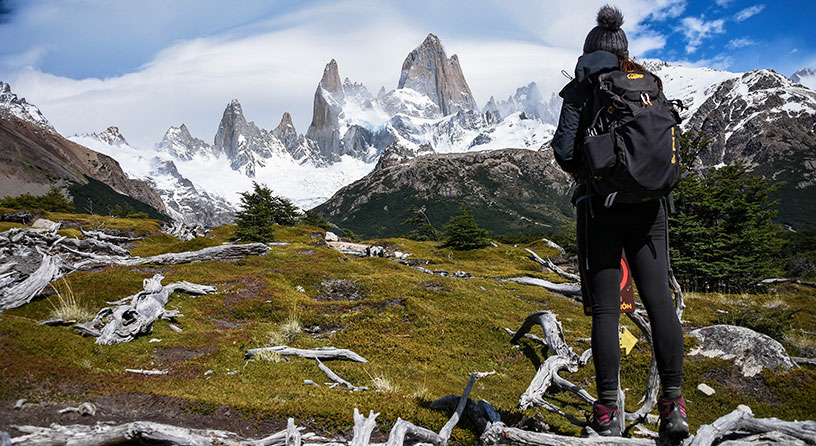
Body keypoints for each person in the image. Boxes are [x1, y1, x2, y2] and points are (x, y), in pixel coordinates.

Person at [551, 5, 689, 441]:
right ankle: (674, 405)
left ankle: (608, 410)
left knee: (609, 309)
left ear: (590, 50)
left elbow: (566, 153)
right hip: (651, 209)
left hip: (602, 210)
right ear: (624, 49)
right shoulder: (649, 85)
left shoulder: (583, 89)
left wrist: (594, 168)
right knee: (660, 302)